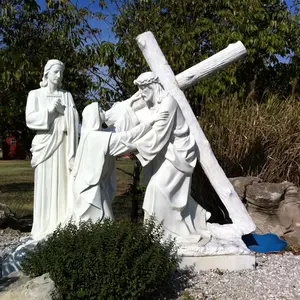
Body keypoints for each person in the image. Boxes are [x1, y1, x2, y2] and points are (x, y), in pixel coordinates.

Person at [106, 72, 212, 244]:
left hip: (178, 154)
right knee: (163, 192)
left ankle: (172, 235)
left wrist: (130, 146)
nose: (141, 93)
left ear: (153, 86)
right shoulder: (153, 105)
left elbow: (159, 134)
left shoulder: (168, 102)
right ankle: (163, 231)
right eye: (139, 89)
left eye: (143, 88)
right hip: (166, 153)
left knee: (157, 189)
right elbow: (143, 124)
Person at [71, 102, 168, 223]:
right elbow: (126, 137)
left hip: (91, 189)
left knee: (100, 224)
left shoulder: (89, 136)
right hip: (88, 193)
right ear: (94, 116)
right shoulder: (96, 138)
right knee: (100, 224)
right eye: (100, 110)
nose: (103, 111)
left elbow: (120, 132)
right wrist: (151, 121)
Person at [25, 59, 79, 240]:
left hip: (63, 146)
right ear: (46, 73)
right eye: (55, 72)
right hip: (45, 145)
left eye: (61, 72)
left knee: (63, 182)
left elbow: (75, 119)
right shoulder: (35, 94)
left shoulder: (66, 96)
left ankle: (62, 224)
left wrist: (64, 110)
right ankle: (42, 226)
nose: (59, 76)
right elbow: (30, 119)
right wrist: (48, 111)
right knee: (46, 184)